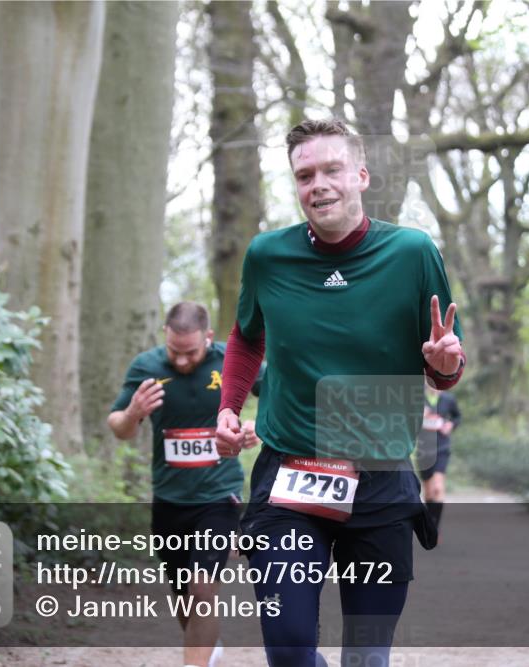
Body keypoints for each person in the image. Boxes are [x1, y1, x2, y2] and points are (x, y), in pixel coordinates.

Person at [215, 118, 465, 667]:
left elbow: (444, 358)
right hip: (290, 478)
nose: (319, 184)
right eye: (305, 175)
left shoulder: (413, 252)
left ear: (360, 175)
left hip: (379, 481)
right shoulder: (268, 256)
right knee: (288, 650)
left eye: (331, 170)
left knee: (368, 659)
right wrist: (229, 408)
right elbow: (245, 336)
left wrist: (444, 368)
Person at [108, 302, 259, 667]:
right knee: (183, 596)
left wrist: (261, 426)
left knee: (202, 587)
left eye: (190, 352)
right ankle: (207, 644)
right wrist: (133, 413)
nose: (181, 361)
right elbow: (119, 427)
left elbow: (278, 393)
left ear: (208, 337)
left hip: (218, 496)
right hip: (170, 498)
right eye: (175, 351)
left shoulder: (231, 361)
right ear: (165, 335)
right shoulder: (146, 367)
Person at [416, 381, 462, 535]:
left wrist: (451, 425)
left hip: (441, 447)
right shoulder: (418, 398)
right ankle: (430, 525)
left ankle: (435, 528)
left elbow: (457, 417)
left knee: (438, 487)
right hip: (423, 449)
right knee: (428, 492)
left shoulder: (448, 399)